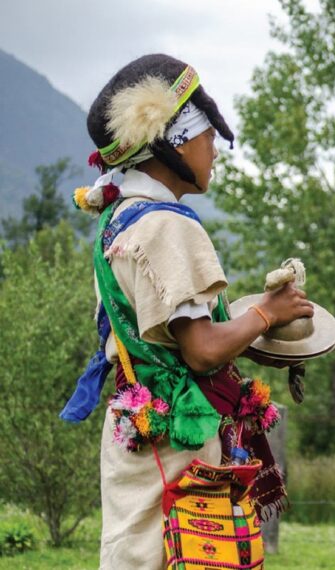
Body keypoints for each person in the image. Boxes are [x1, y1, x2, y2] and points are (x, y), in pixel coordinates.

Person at [60, 53, 312, 569]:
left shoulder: (118, 218)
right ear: (175, 143)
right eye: (206, 135)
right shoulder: (168, 225)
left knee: (134, 552)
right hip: (177, 439)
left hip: (139, 427)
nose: (214, 149)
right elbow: (200, 351)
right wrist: (268, 311)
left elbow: (170, 339)